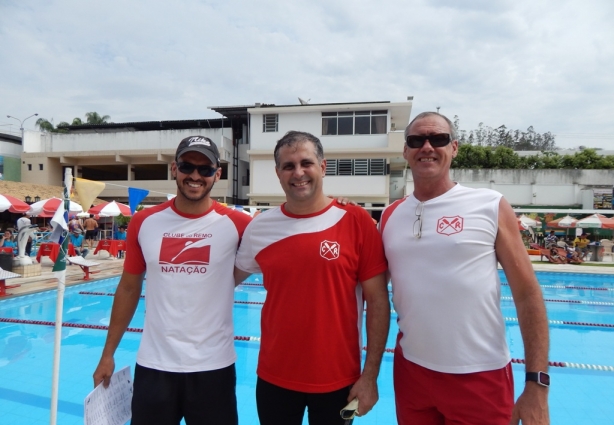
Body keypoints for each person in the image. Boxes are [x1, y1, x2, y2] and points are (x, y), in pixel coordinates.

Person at [380, 112, 550, 425]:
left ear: (454, 147)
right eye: (416, 140)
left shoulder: (489, 204)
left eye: (439, 139)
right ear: (405, 151)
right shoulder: (390, 216)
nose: (427, 147)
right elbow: (371, 290)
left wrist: (537, 384)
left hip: (480, 375)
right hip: (411, 373)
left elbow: (527, 294)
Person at [93, 135, 251, 424]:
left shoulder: (239, 225)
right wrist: (107, 354)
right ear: (173, 169)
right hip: (155, 366)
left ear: (217, 174)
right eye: (187, 166)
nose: (195, 175)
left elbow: (285, 241)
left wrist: (338, 206)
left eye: (205, 169)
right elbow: (128, 288)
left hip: (213, 367)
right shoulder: (145, 221)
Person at [234, 131, 390, 425]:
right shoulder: (260, 228)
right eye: (288, 165)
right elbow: (223, 279)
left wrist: (369, 377)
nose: (298, 172)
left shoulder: (356, 222)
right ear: (278, 173)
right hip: (274, 377)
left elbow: (379, 302)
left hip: (339, 381)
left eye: (306, 163)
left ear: (323, 167)